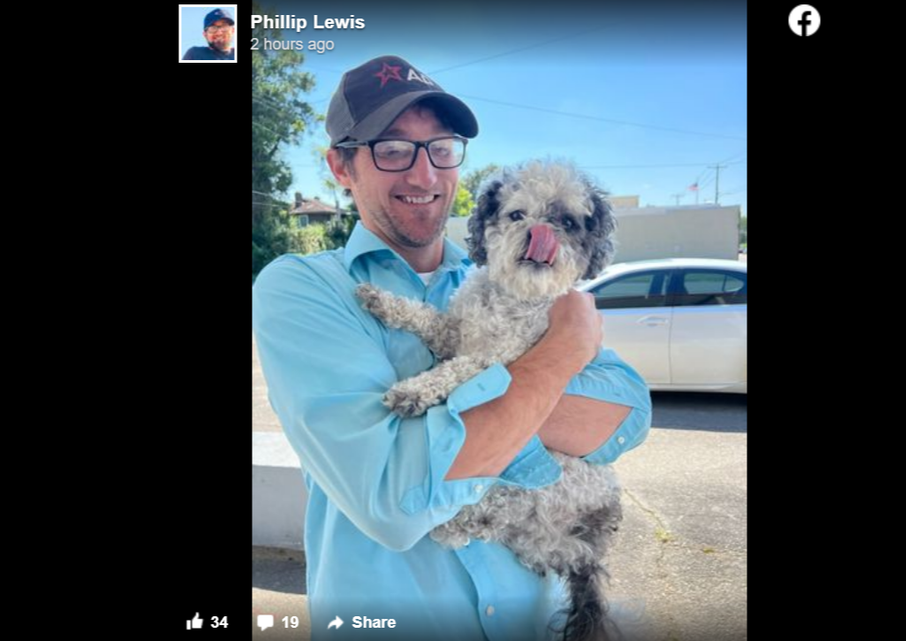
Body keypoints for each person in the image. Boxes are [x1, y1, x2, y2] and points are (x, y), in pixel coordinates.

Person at [252, 55, 652, 641]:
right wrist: (562, 356)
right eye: (392, 149)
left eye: (441, 148)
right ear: (340, 165)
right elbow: (395, 495)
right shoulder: (302, 288)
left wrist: (482, 422)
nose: (424, 176)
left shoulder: (515, 279)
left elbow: (629, 415)